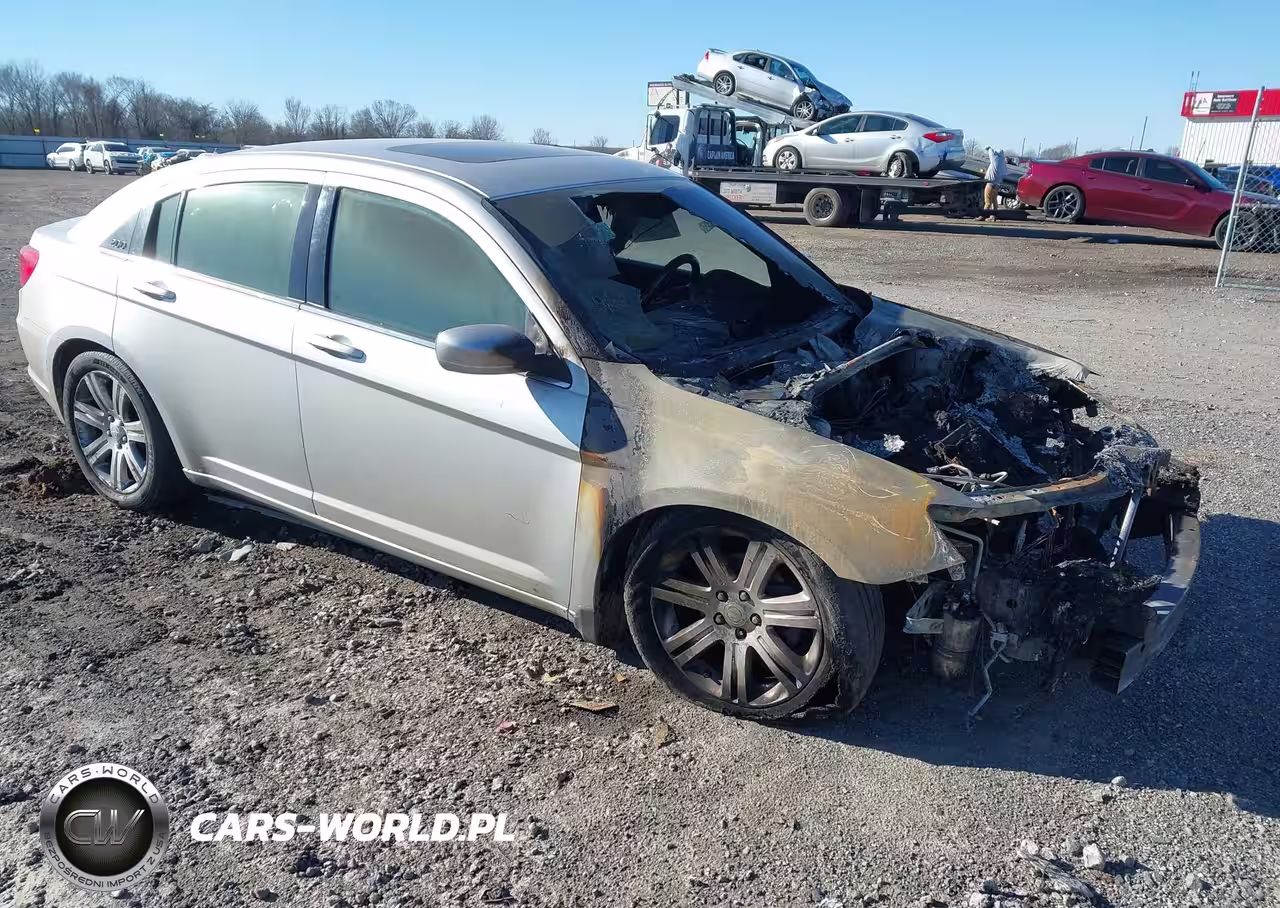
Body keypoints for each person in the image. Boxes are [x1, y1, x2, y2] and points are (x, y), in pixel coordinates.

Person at [983, 146, 1007, 221]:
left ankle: (983, 215)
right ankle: (993, 216)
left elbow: (991, 153)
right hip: (997, 184)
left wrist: (989, 148)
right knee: (994, 200)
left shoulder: (995, 160)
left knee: (987, 201)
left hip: (990, 183)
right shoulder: (1003, 163)